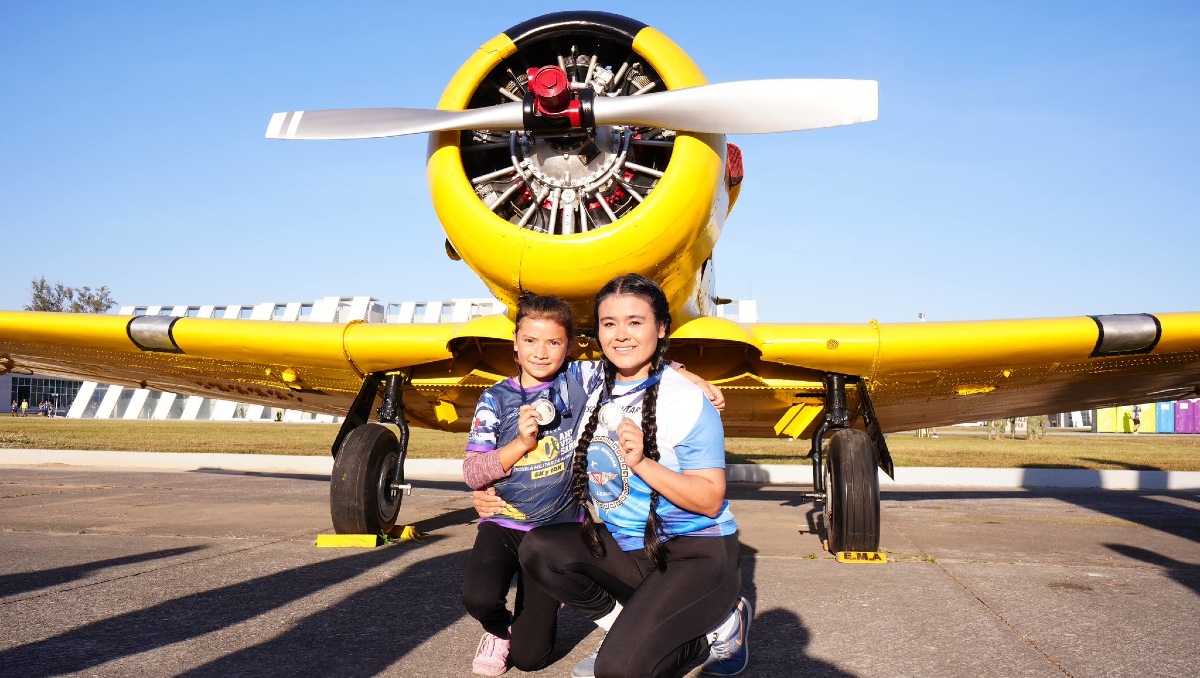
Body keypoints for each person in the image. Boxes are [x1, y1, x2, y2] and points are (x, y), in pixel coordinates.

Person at [460, 292, 725, 677]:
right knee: (479, 598)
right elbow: (472, 473)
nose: (540, 352)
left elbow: (638, 361)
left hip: (554, 533)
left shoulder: (581, 379)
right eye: (530, 341)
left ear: (570, 347)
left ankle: (543, 620)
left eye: (554, 342)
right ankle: (499, 632)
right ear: (514, 344)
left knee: (531, 659)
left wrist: (690, 377)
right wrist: (520, 445)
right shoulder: (494, 399)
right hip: (504, 522)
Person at [516, 274, 750, 678]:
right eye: (609, 323)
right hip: (631, 551)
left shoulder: (686, 400)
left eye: (635, 322)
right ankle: (627, 632)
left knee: (618, 672)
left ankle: (720, 624)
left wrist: (643, 463)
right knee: (540, 549)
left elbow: (710, 499)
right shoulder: (587, 382)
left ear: (661, 329)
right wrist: (489, 488)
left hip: (694, 555)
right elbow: (532, 369)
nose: (620, 335)